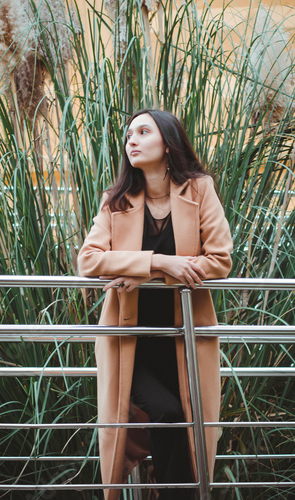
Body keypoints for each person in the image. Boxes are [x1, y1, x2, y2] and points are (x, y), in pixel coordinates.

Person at [78, 109, 233, 500]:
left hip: (184, 339)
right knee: (167, 413)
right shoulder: (116, 201)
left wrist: (145, 273)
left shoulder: (199, 189)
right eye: (128, 133)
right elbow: (89, 260)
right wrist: (159, 262)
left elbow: (219, 260)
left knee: (187, 427)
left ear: (167, 142)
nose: (132, 139)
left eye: (143, 131)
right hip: (131, 340)